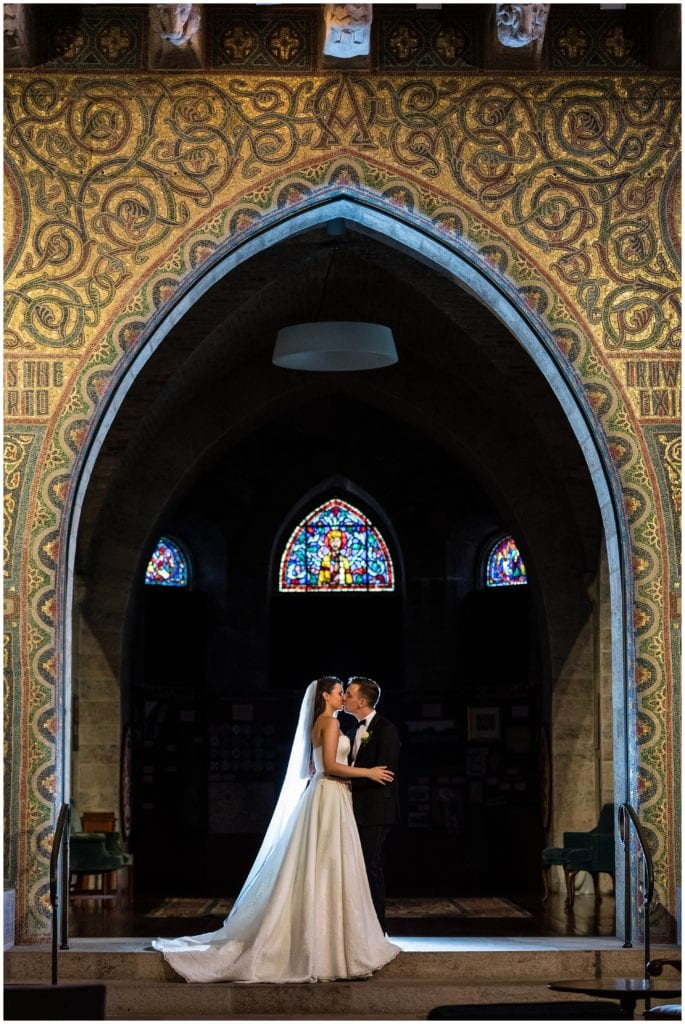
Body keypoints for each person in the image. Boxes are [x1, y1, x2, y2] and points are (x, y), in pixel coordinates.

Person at [152, 677, 400, 983]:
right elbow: (330, 767)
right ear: (326, 695)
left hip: (324, 795)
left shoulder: (323, 723)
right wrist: (367, 771)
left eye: (346, 693)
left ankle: (326, 934)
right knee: (330, 863)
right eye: (339, 692)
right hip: (331, 793)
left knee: (323, 863)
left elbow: (311, 768)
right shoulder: (332, 724)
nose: (343, 697)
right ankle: (331, 940)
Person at [342, 676, 400, 933]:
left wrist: (347, 780)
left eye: (350, 694)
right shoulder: (353, 730)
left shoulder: (385, 728)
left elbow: (384, 773)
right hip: (352, 809)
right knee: (355, 867)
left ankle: (378, 927)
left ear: (362, 701)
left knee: (370, 864)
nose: (345, 697)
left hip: (376, 809)